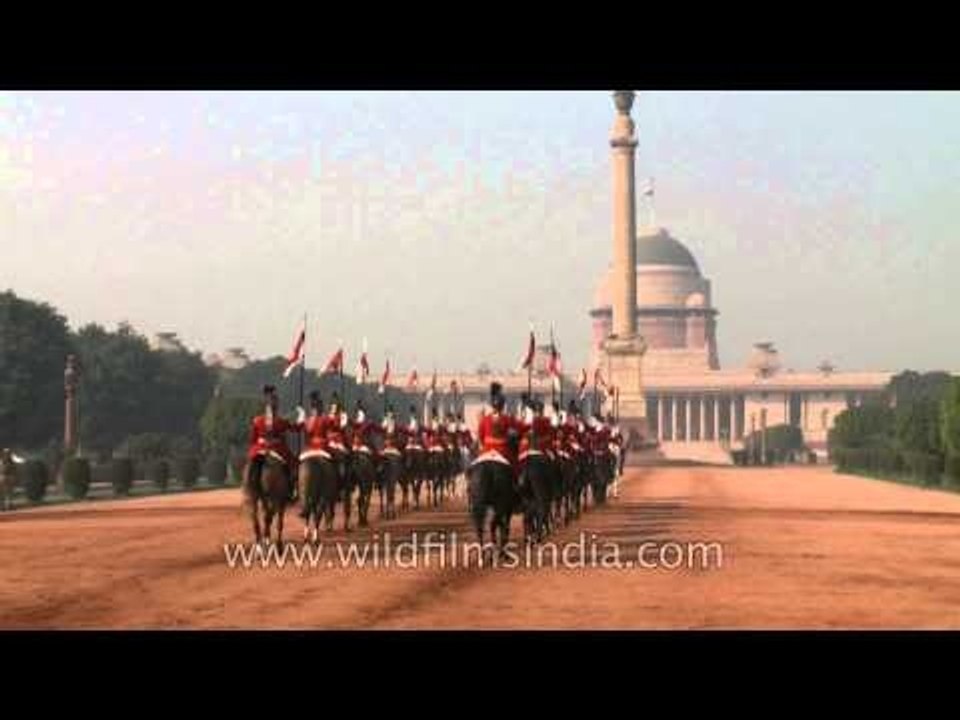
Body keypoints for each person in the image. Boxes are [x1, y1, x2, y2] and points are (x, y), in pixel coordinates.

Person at [247, 384, 300, 502]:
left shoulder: (257, 420)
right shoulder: (280, 421)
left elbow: (252, 439)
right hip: (277, 448)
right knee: (293, 464)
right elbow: (295, 429)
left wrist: (254, 448)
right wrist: (301, 417)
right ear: (275, 405)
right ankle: (293, 489)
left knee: (251, 463)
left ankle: (248, 487)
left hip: (259, 448)